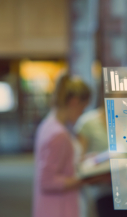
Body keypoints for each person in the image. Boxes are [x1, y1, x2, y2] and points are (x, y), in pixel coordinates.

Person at [33, 72, 92, 217]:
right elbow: (47, 181)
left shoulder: (51, 125)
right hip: (59, 208)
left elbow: (62, 164)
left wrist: (87, 161)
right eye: (82, 108)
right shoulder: (58, 134)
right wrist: (85, 179)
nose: (81, 114)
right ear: (74, 102)